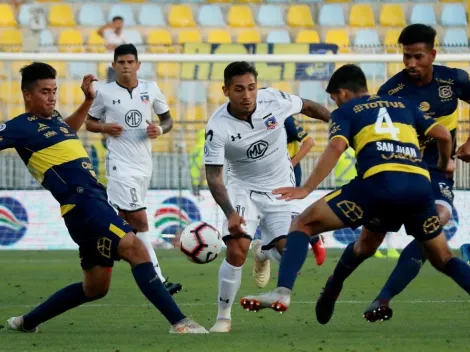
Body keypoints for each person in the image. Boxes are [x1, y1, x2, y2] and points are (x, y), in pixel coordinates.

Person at [239, 64, 470, 324]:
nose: (335, 103)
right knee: (442, 258)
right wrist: (443, 164)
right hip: (419, 186)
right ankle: (334, 285)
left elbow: (336, 147)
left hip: (378, 183)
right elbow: (441, 133)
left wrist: (306, 188)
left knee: (303, 224)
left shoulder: (346, 111)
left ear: (344, 93)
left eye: (335, 98)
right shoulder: (402, 104)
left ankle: (283, 292)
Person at [3, 62, 206, 333]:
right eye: (44, 92)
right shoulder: (19, 127)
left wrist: (88, 101)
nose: (52, 97)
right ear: (28, 95)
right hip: (83, 202)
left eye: (54, 90)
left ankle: (27, 322)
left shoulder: (53, 121)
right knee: (135, 247)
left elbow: (67, 130)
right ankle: (180, 322)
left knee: (96, 287)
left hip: (87, 204)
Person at [204, 61, 331, 333]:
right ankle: (223, 317)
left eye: (251, 87)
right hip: (242, 188)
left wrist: (338, 123)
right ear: (226, 90)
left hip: (280, 186)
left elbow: (308, 105)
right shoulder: (217, 126)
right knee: (236, 250)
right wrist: (230, 213)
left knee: (291, 256)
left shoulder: (273, 99)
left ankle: (262, 251)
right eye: (239, 89)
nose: (247, 95)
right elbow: (214, 176)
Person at [363, 23, 470, 321]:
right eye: (406, 56)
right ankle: (338, 290)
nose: (411, 63)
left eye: (418, 57)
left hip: (437, 170)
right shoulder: (391, 91)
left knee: (437, 221)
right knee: (367, 243)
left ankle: (383, 298)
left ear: (432, 54)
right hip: (404, 170)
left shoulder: (455, 80)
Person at [85, 44, 182, 296]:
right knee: (140, 219)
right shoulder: (104, 93)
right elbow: (90, 123)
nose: (126, 66)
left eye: (130, 62)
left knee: (128, 221)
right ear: (114, 65)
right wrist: (106, 128)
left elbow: (168, 120)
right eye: (121, 62)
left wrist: (159, 130)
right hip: (119, 165)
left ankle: (103, 249)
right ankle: (158, 278)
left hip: (143, 165)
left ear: (138, 65)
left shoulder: (151, 89)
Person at [284, 116, 326, 265]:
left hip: (288, 173)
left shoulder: (285, 118)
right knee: (273, 216)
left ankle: (291, 262)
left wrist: (290, 165)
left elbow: (309, 142)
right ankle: (313, 237)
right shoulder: (252, 118)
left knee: (281, 214)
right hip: (267, 173)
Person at [97, 16, 127, 83]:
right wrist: (108, 25)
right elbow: (99, 32)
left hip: (122, 65)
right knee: (111, 85)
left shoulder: (125, 35)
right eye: (117, 23)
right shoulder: (108, 34)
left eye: (120, 23)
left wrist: (115, 46)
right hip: (111, 64)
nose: (119, 25)